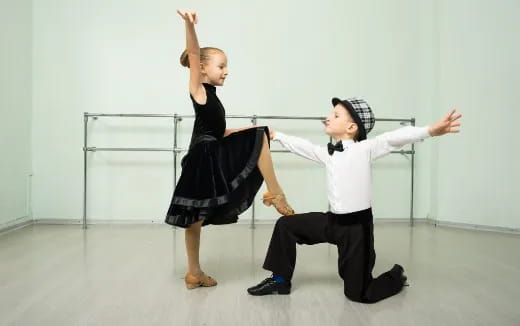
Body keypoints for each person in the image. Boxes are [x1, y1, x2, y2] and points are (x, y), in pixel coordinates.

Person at [247, 96, 461, 303]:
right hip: (332, 222)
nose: (328, 118)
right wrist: (276, 135)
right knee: (286, 225)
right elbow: (304, 147)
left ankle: (396, 276)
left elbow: (395, 137)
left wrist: (430, 130)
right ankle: (280, 281)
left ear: (351, 128)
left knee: (359, 294)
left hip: (358, 229)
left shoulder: (366, 149)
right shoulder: (328, 153)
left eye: (336, 115)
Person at [165, 10, 295, 290]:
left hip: (206, 154)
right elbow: (193, 51)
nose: (226, 71)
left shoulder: (211, 97)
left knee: (195, 220)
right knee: (194, 219)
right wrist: (189, 26)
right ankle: (275, 192)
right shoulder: (198, 88)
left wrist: (249, 131)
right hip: (204, 157)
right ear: (201, 68)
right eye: (221, 66)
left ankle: (193, 273)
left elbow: (217, 131)